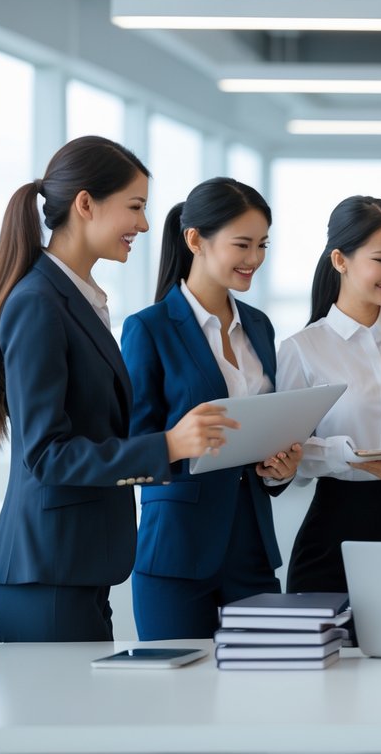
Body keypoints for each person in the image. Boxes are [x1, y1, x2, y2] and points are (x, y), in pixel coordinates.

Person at [0, 136, 235, 642]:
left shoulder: (76, 298)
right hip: (46, 574)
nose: (146, 225)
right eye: (135, 207)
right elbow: (48, 456)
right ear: (86, 204)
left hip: (78, 570)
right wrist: (168, 444)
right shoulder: (38, 302)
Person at [121, 177, 303, 640]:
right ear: (195, 239)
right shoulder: (150, 328)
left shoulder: (259, 327)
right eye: (242, 244)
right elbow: (131, 445)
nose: (255, 259)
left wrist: (279, 467)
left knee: (263, 693)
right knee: (177, 703)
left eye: (262, 244)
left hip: (253, 551)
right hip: (177, 552)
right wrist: (177, 442)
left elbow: (265, 431)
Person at [276, 196, 381, 593]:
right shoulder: (302, 349)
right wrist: (346, 455)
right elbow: (285, 453)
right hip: (331, 534)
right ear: (340, 260)